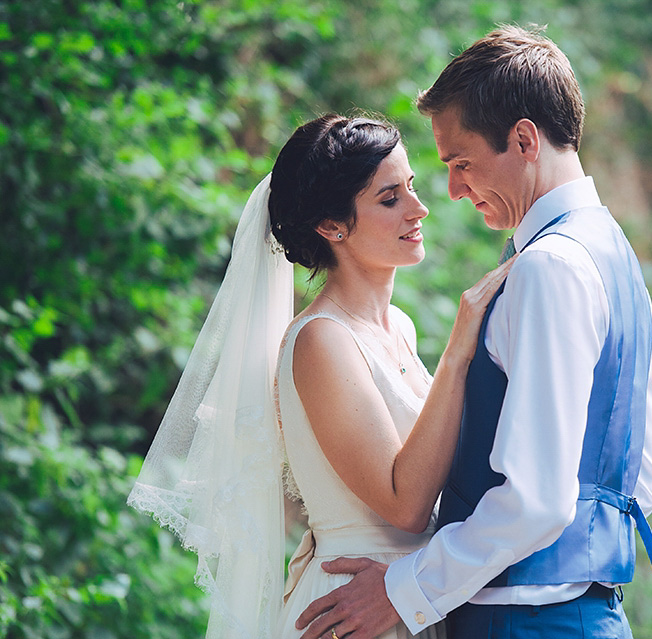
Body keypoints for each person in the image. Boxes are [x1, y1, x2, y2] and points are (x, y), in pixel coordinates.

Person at [295, 25, 652, 639]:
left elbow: (539, 500)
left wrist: (402, 589)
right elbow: (635, 481)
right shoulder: (613, 254)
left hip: (523, 622)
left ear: (523, 140)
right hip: (579, 612)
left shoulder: (548, 265)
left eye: (461, 163)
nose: (453, 191)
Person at [128, 113, 512, 639]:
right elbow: (404, 505)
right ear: (332, 227)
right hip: (352, 611)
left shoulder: (398, 326)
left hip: (406, 596)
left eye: (412, 187)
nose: (419, 209)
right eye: (389, 198)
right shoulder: (321, 341)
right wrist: (459, 351)